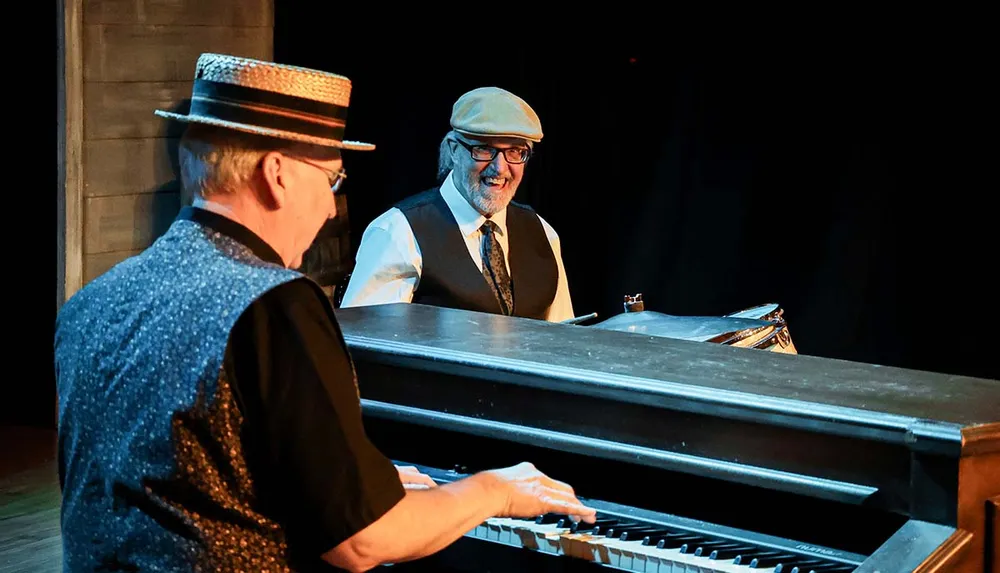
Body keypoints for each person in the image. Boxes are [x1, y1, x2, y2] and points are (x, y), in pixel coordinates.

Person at [54, 53, 595, 573]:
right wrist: (493, 490)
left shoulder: (92, 301)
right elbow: (364, 540)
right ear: (277, 174)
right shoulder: (275, 306)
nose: (332, 206)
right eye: (332, 179)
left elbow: (193, 474)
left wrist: (359, 475)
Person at [339, 86, 576, 322]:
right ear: (453, 149)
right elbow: (366, 343)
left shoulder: (543, 234)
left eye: (515, 151)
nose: (500, 168)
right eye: (484, 149)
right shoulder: (399, 233)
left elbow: (563, 340)